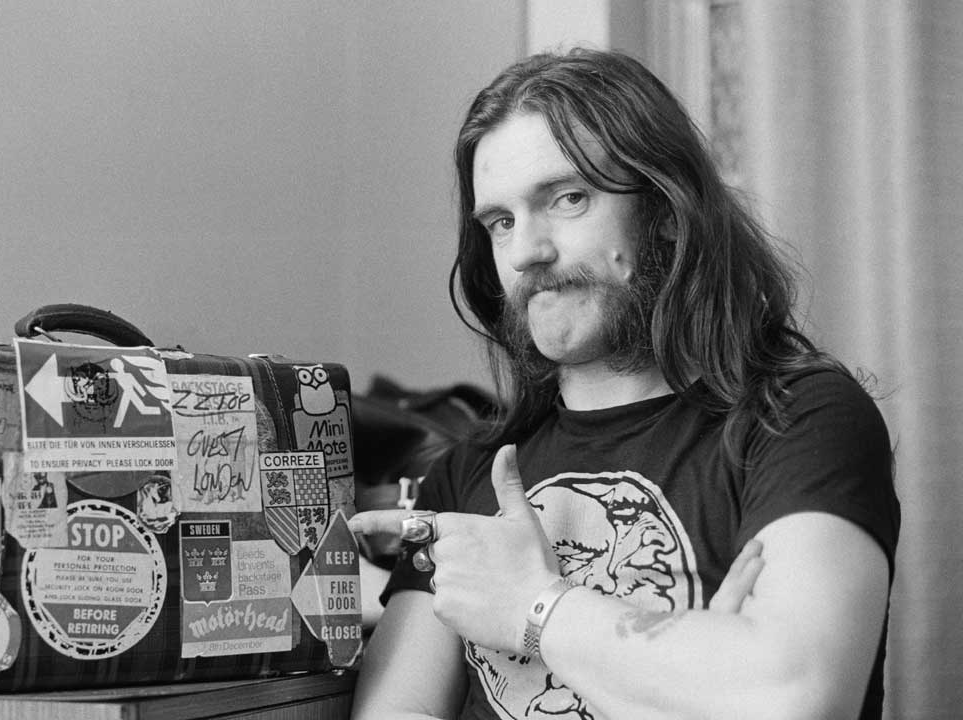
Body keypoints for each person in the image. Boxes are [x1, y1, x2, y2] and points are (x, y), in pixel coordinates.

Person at [348, 48, 900, 720]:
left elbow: (793, 696)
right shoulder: (468, 478)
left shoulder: (800, 421)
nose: (526, 251)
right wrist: (690, 679)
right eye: (501, 222)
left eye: (568, 198)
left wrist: (533, 607)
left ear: (665, 208)